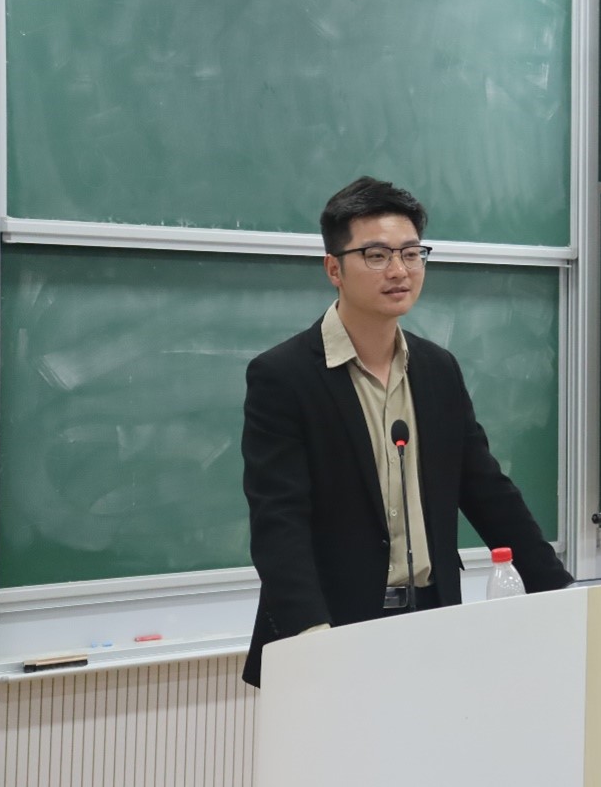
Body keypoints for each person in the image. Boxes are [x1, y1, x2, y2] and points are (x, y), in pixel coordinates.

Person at [240, 176, 573, 688]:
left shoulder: (437, 369)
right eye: (376, 255)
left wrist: (559, 590)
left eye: (412, 253)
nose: (399, 270)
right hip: (331, 632)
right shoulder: (284, 377)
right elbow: (278, 521)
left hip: (432, 623)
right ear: (334, 269)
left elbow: (487, 491)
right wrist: (312, 639)